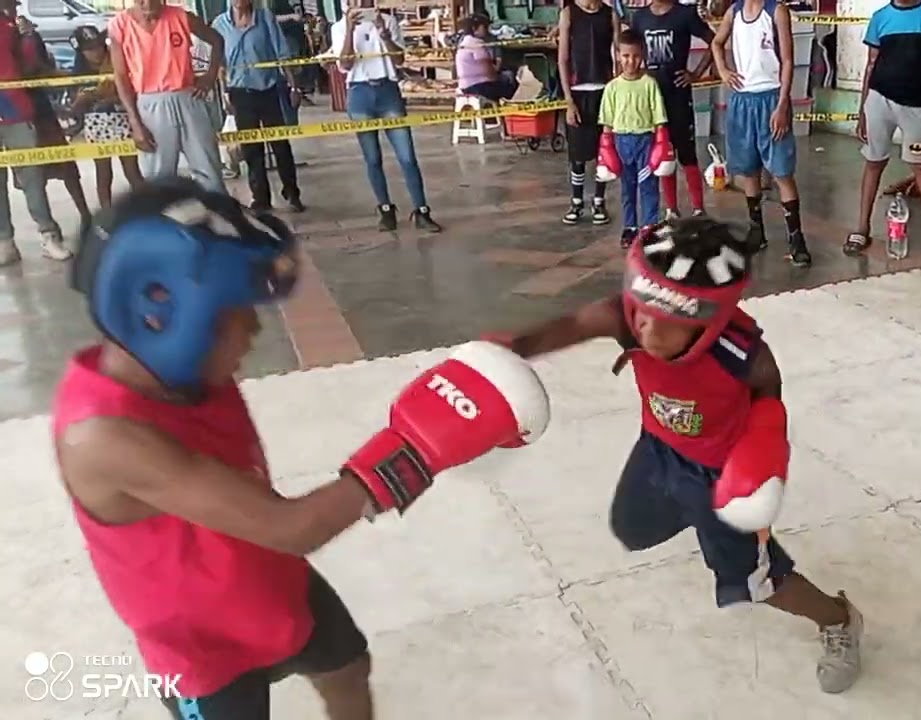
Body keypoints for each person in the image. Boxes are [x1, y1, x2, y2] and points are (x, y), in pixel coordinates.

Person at [55, 178, 550, 719]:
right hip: (200, 644)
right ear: (158, 309)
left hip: (267, 580)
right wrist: (417, 448)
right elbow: (287, 528)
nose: (252, 329)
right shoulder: (103, 437)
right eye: (232, 310)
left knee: (346, 668)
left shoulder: (181, 371)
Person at [487, 216, 863, 694]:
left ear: (705, 325)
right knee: (632, 528)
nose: (643, 326)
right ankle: (697, 513)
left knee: (754, 582)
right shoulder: (632, 316)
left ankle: (839, 618)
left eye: (662, 322)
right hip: (659, 447)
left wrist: (762, 449)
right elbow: (574, 324)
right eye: (639, 311)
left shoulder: (744, 356)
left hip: (723, 477)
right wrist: (508, 352)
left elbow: (770, 391)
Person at [849, 0, 921, 256]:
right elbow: (871, 64)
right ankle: (861, 229)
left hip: (916, 105)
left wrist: (912, 62)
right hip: (879, 100)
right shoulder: (881, 17)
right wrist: (862, 112)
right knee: (874, 163)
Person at [711, 0, 812, 267]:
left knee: (782, 172)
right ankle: (757, 230)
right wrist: (723, 70)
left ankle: (796, 238)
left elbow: (788, 60)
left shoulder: (776, 11)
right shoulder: (734, 11)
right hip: (742, 101)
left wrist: (782, 104)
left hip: (770, 98)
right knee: (748, 170)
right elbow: (716, 42)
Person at [332, 0, 442, 233]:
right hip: (360, 91)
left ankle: (421, 210)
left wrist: (384, 34)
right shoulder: (339, 27)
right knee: (372, 158)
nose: (363, 3)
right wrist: (351, 30)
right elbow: (345, 64)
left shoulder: (390, 21)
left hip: (387, 91)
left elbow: (399, 60)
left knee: (407, 156)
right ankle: (385, 209)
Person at [108, 0, 227, 193]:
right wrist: (135, 123)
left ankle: (220, 216)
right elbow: (121, 77)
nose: (146, 4)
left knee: (209, 169)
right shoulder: (119, 25)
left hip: (188, 98)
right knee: (158, 177)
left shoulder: (180, 16)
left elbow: (217, 40)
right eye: (140, 0)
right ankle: (162, 221)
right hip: (150, 104)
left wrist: (210, 76)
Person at [214, 0, 307, 213]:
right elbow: (219, 64)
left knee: (280, 145)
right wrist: (224, 94)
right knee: (251, 148)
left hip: (269, 90)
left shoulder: (265, 18)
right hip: (240, 93)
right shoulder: (220, 25)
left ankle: (292, 192)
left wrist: (294, 87)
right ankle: (260, 197)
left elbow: (281, 52)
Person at [628, 0, 715, 219]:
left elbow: (714, 41)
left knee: (686, 153)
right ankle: (671, 208)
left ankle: (698, 207)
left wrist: (696, 73)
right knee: (662, 153)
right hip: (652, 99)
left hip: (678, 96)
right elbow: (628, 50)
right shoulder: (639, 18)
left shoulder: (684, 14)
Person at [0, 0, 67, 264]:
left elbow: (30, 69)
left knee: (33, 177)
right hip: (14, 108)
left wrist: (26, 41)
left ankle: (49, 234)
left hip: (16, 110)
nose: (12, 7)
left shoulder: (12, 29)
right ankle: (5, 241)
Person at [595, 30, 674, 247]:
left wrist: (661, 142)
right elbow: (607, 122)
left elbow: (659, 117)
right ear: (618, 55)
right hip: (621, 142)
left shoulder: (649, 84)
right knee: (627, 188)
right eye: (626, 56)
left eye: (636, 56)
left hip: (646, 141)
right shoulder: (612, 88)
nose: (631, 61)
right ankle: (629, 228)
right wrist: (606, 147)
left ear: (643, 55)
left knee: (648, 186)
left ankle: (650, 227)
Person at [13, 16, 92, 230]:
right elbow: (34, 68)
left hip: (39, 105)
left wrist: (65, 78)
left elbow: (43, 66)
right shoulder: (16, 35)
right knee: (33, 175)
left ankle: (85, 215)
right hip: (14, 110)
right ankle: (48, 230)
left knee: (65, 165)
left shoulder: (29, 33)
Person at [558, 0, 620, 226]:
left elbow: (620, 54)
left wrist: (618, 90)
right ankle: (576, 201)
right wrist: (568, 100)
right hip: (577, 92)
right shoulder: (569, 14)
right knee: (577, 154)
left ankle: (599, 201)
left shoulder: (610, 14)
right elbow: (563, 59)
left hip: (604, 91)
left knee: (603, 152)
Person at [69, 25, 145, 209]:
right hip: (96, 125)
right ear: (81, 52)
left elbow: (129, 90)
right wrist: (81, 100)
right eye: (89, 49)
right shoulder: (79, 73)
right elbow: (75, 107)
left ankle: (147, 209)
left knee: (132, 170)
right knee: (103, 174)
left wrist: (103, 97)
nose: (96, 52)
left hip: (122, 120)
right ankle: (106, 214)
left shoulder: (116, 61)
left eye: (98, 46)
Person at [455, 14, 516, 102]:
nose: (486, 30)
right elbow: (488, 71)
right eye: (484, 27)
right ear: (474, 28)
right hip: (478, 86)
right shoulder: (476, 44)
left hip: (467, 85)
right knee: (510, 88)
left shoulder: (465, 41)